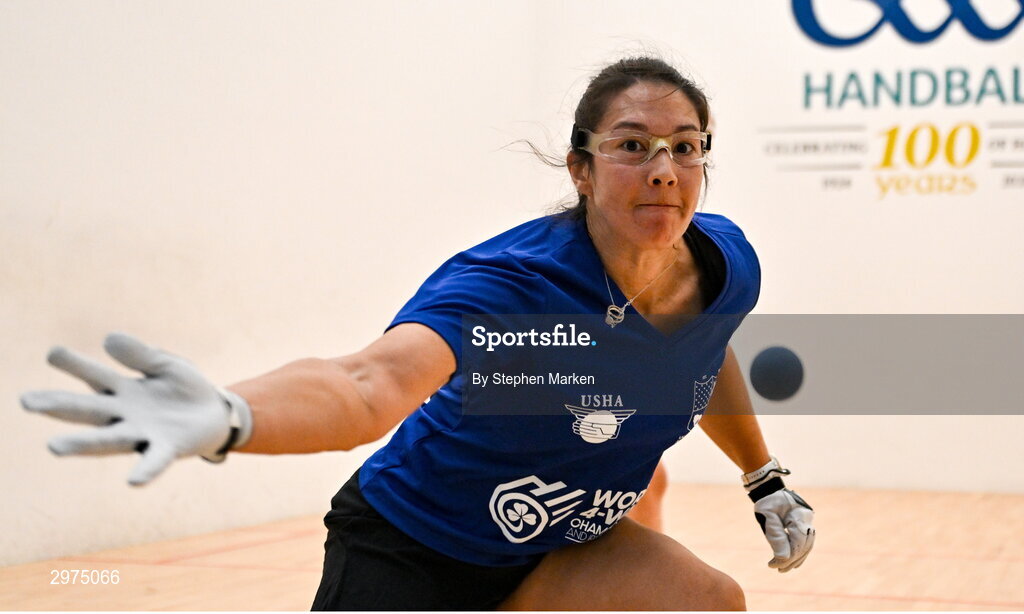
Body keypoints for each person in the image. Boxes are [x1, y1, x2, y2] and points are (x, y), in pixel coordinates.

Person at [21, 56, 814, 610]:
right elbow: (370, 383)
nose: (663, 169)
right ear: (580, 167)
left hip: (554, 550)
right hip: (412, 548)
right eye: (632, 146)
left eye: (685, 147)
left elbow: (702, 359)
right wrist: (236, 414)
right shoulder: (510, 286)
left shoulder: (724, 265)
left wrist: (763, 476)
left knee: (706, 602)